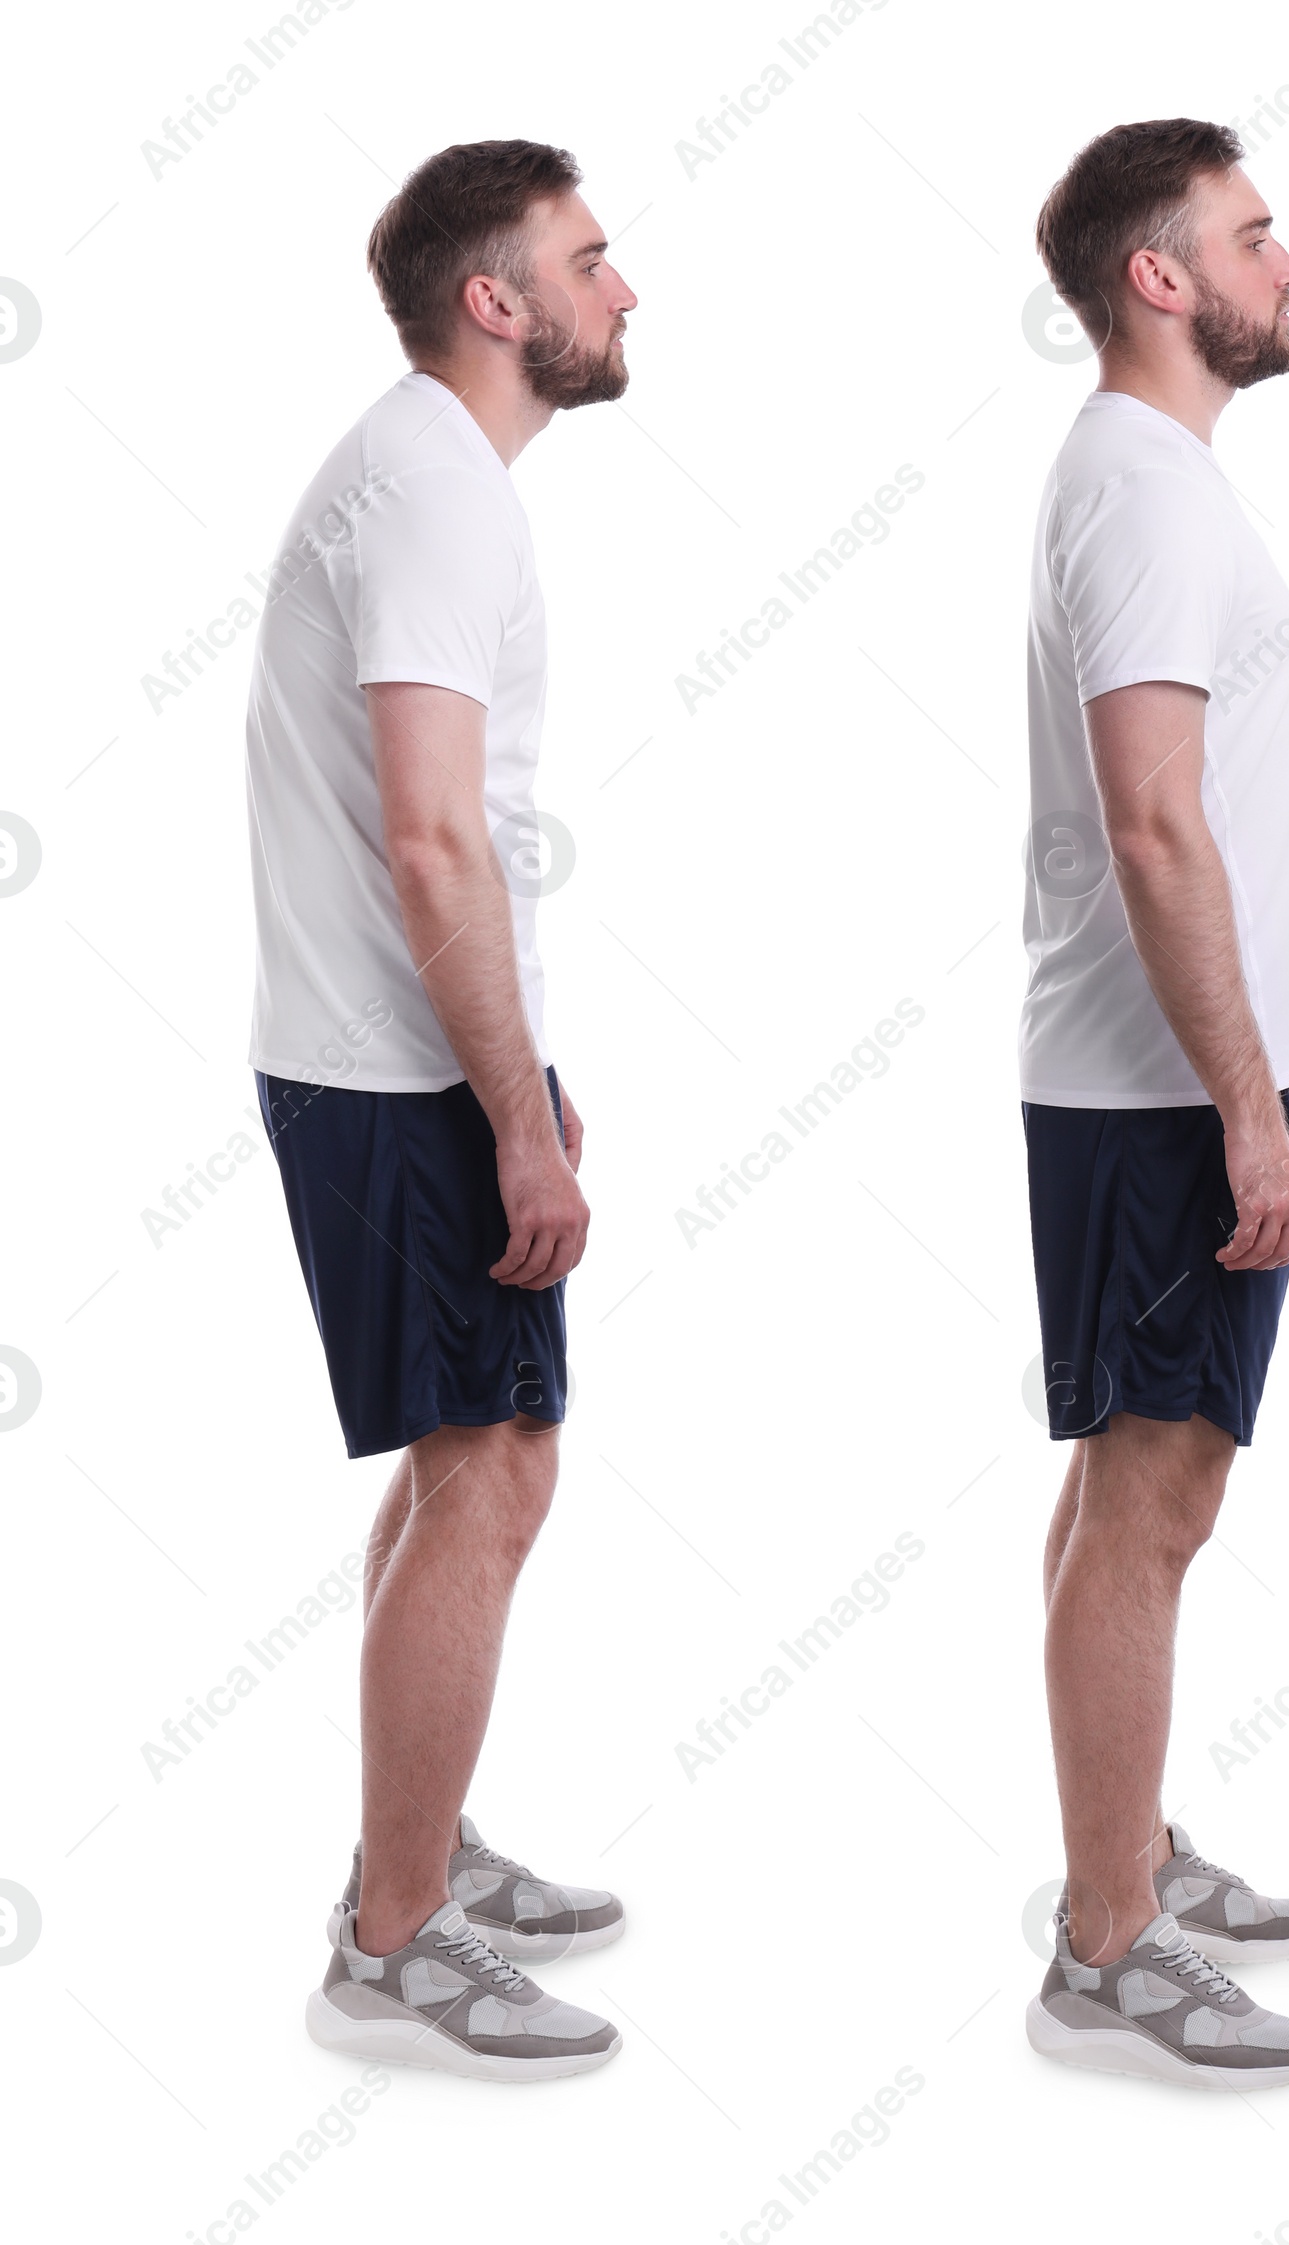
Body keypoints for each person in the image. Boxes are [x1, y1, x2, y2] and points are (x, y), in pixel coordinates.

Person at [245, 139, 637, 2083]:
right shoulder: (431, 493)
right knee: (489, 1474)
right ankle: (393, 1939)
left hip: (408, 1065)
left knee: (470, 1461)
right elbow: (425, 837)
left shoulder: (432, 477)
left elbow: (449, 837)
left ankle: (416, 1839)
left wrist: (526, 1078)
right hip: (402, 1079)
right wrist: (516, 1122)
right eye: (587, 259)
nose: (619, 290)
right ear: (496, 302)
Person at [1019, 119, 1289, 2088]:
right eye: (1250, 233)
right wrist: (1240, 1112)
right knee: (1150, 1490)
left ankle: (1116, 1852)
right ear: (1159, 276)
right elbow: (1149, 819)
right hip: (1163, 1094)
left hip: (1176, 1079)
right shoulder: (1138, 493)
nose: (1284, 264)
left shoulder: (1157, 481)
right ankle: (1107, 1948)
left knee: (1143, 1484)